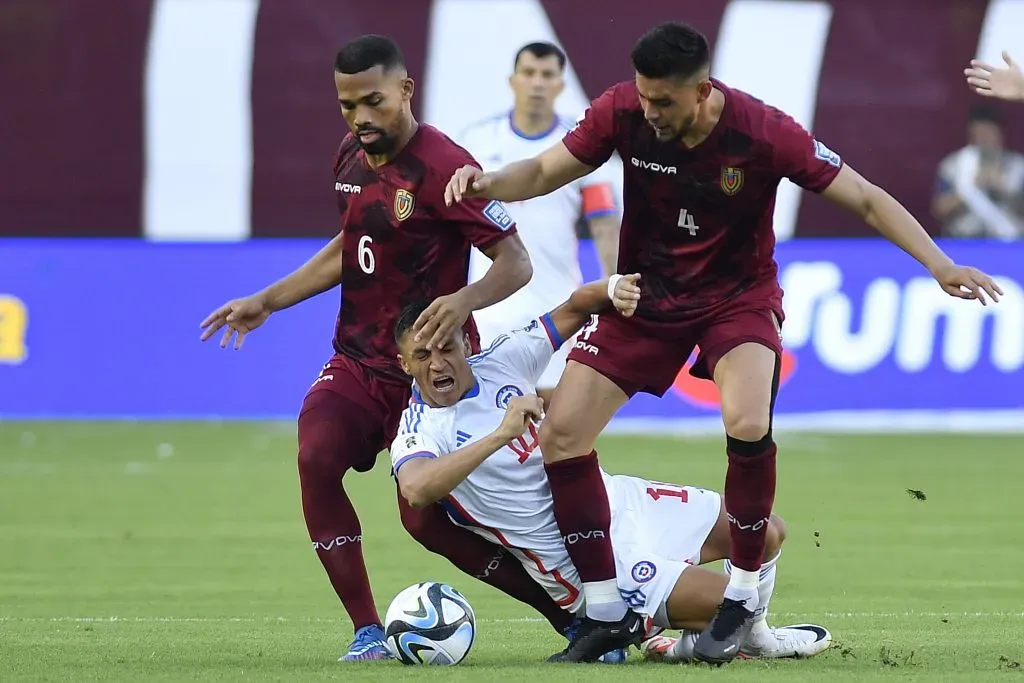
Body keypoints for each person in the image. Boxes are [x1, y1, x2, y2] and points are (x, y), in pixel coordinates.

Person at [444, 21, 1004, 664]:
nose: (648, 111)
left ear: (702, 90)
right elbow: (546, 168)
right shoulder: (622, 108)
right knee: (562, 437)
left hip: (737, 300)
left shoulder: (763, 131)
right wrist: (488, 183)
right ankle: (602, 611)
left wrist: (940, 265)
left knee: (745, 419)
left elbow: (867, 200)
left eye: (663, 102)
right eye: (643, 96)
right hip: (647, 296)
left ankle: (741, 594)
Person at [198, 34, 577, 662]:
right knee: (316, 454)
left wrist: (463, 302)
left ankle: (566, 620)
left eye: (373, 102)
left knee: (425, 520)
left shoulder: (447, 168)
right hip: (358, 359)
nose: (360, 118)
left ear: (405, 90)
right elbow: (352, 246)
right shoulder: (352, 155)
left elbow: (516, 263)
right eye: (347, 105)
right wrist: (269, 299)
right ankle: (368, 632)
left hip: (433, 374)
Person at [387, 277, 831, 663]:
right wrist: (500, 435)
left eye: (447, 346)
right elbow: (417, 489)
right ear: (405, 364)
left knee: (767, 531)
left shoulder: (503, 360)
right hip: (582, 562)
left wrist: (614, 286)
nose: (437, 363)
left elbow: (576, 307)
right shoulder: (421, 428)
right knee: (727, 606)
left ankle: (752, 637)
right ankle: (680, 646)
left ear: (467, 342)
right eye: (422, 355)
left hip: (617, 502)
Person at [457, 42, 620, 399]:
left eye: (547, 75)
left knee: (555, 425)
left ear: (561, 84)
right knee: (484, 416)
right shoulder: (477, 141)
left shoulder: (581, 145)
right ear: (512, 80)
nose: (537, 83)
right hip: (490, 304)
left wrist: (611, 281)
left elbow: (604, 221)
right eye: (529, 73)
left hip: (556, 304)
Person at [932, 104, 1024, 239]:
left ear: (1000, 133)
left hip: (1011, 242)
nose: (983, 139)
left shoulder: (1019, 166)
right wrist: (970, 190)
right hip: (964, 241)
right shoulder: (953, 165)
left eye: (988, 133)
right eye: (978, 133)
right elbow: (939, 210)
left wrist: (1002, 190)